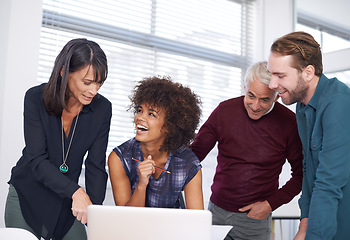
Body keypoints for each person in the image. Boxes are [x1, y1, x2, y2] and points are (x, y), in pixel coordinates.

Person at [4, 38, 112, 240]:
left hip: (66, 202)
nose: (94, 91)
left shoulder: (102, 109)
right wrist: (77, 192)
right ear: (64, 72)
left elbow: (95, 165)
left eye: (99, 83)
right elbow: (37, 160)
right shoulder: (35, 98)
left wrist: (95, 214)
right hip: (28, 196)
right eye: (87, 82)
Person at [191, 61, 303, 240]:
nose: (255, 105)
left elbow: (301, 175)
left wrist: (269, 205)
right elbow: (194, 155)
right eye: (251, 95)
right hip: (216, 213)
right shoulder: (224, 111)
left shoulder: (289, 123)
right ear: (244, 86)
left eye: (265, 99)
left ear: (276, 96)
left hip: (254, 221)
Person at [268, 31, 350, 240]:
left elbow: (328, 182)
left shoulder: (338, 102)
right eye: (271, 74)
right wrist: (304, 225)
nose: (272, 85)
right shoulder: (303, 108)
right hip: (321, 222)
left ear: (308, 72)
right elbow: (309, 170)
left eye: (280, 76)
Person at [108, 76, 204, 209]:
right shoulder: (119, 157)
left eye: (151, 114)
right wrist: (142, 184)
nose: (140, 117)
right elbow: (128, 219)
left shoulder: (188, 163)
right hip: (134, 228)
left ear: (170, 125)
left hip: (172, 228)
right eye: (140, 110)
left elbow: (197, 221)